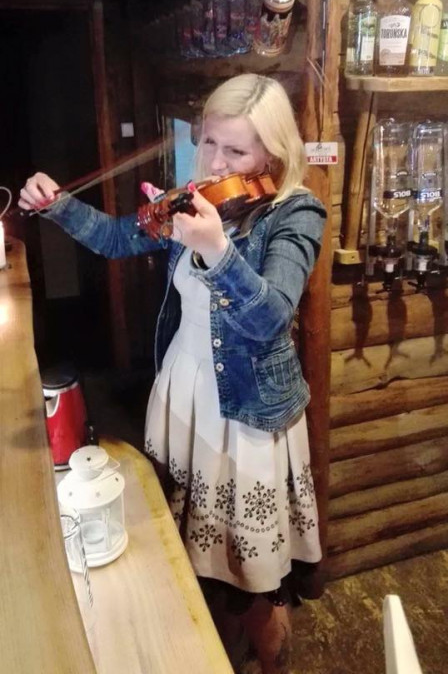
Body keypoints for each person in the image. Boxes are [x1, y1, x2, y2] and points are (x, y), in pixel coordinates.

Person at [19, 73, 326, 674]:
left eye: (236, 151)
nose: (216, 162)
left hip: (246, 413)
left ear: (273, 154)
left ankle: (271, 662)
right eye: (209, 142)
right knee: (198, 558)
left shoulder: (295, 213)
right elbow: (116, 239)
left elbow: (269, 318)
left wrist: (216, 250)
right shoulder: (197, 200)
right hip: (185, 393)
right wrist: (57, 206)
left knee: (254, 580)